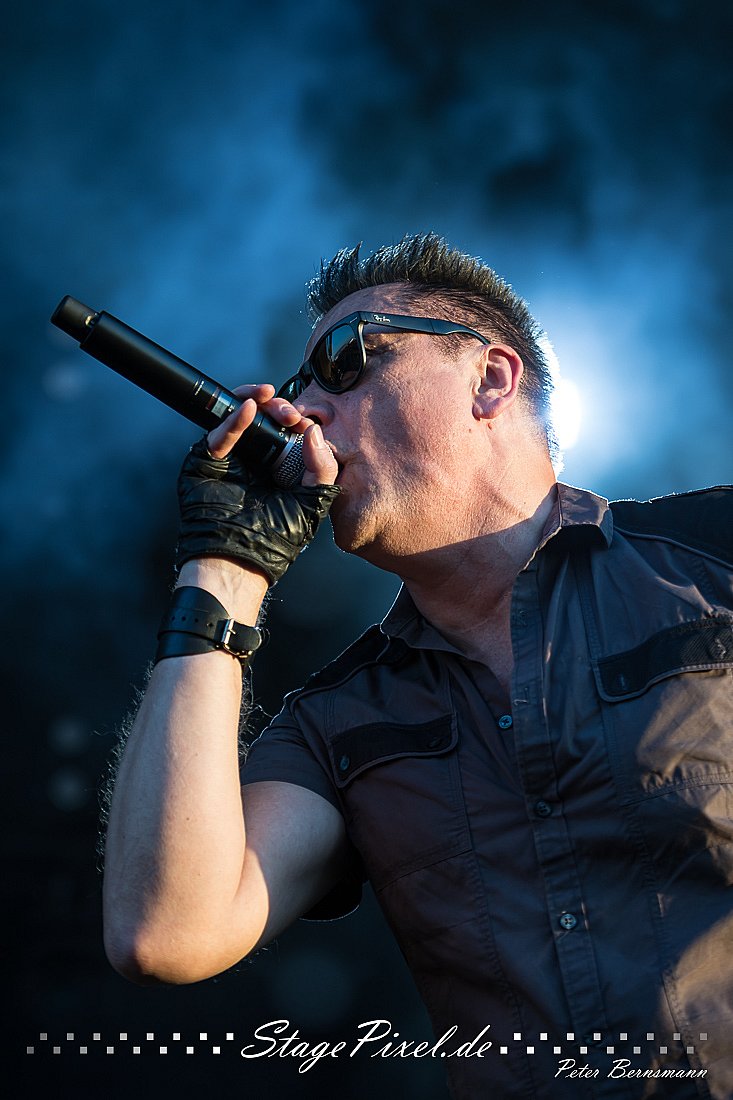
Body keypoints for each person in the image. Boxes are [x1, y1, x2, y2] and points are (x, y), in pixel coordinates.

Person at [102, 232, 733, 1099]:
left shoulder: (713, 553)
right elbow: (165, 933)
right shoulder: (337, 726)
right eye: (296, 387)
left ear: (490, 379)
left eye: (345, 361)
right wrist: (224, 566)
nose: (304, 411)